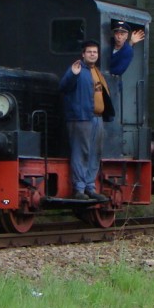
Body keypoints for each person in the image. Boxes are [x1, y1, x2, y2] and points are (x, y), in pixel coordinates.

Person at [59, 40, 113, 201]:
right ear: (83, 54)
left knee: (95, 153)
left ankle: (90, 187)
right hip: (80, 118)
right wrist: (72, 74)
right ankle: (79, 188)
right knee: (81, 152)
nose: (92, 54)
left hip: (97, 118)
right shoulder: (77, 70)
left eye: (95, 52)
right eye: (89, 52)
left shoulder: (96, 71)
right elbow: (64, 87)